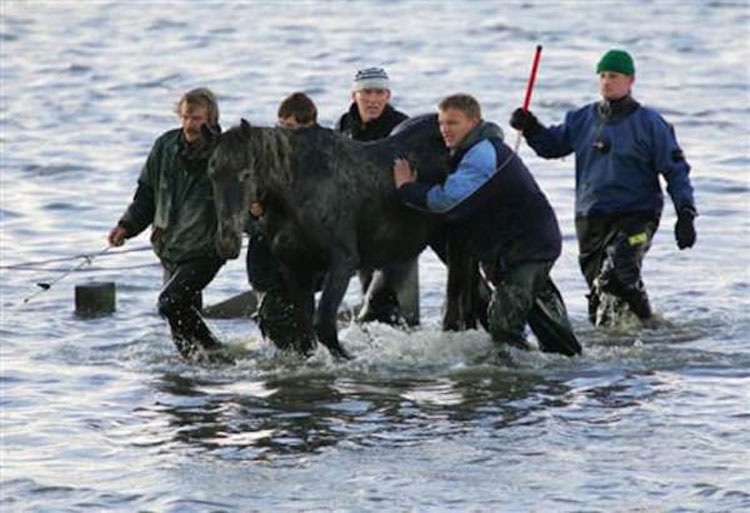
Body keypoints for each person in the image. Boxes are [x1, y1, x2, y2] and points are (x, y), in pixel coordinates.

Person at [510, 49, 697, 325]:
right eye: (603, 76)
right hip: (590, 218)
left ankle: (650, 322)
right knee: (600, 291)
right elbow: (552, 146)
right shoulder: (581, 118)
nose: (607, 81)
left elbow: (676, 171)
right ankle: (611, 353)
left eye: (614, 76)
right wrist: (532, 128)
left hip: (637, 216)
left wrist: (686, 213)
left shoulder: (651, 124)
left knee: (621, 269)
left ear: (630, 80)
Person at [393, 94, 581, 357]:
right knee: (552, 333)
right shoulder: (470, 150)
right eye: (442, 123)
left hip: (527, 248)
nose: (445, 129)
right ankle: (567, 371)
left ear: (474, 122)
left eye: (453, 123)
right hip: (520, 248)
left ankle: (512, 388)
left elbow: (447, 199)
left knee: (503, 327)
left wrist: (407, 189)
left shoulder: (481, 155)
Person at [108, 87, 226, 361]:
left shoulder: (223, 152)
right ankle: (198, 380)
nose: (189, 125)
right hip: (170, 248)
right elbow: (146, 195)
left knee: (170, 303)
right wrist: (125, 227)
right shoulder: (164, 146)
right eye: (185, 117)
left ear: (210, 118)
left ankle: (218, 355)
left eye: (196, 119)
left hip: (207, 249)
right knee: (180, 328)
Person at [336, 67, 412, 324]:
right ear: (354, 95)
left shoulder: (401, 126)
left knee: (392, 293)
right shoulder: (345, 125)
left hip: (398, 221)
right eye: (367, 92)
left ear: (388, 95)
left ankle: (404, 331)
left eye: (380, 92)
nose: (373, 99)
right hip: (360, 221)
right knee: (367, 284)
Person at [245, 92, 319, 351]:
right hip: (266, 256)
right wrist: (254, 214)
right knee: (271, 316)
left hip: (305, 258)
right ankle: (294, 369)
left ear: (310, 128)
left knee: (297, 318)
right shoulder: (263, 160)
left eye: (295, 128)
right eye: (283, 127)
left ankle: (303, 372)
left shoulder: (322, 160)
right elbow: (245, 215)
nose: (288, 134)